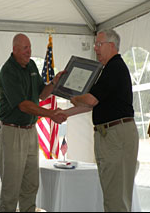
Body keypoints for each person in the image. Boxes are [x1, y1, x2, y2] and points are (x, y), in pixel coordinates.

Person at [60, 29, 139, 212]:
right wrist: (65, 113)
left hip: (116, 136)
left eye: (99, 44)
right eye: (95, 44)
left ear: (111, 46)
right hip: (110, 136)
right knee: (112, 195)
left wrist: (75, 97)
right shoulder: (107, 70)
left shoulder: (115, 67)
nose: (95, 48)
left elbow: (90, 100)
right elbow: (92, 104)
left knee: (116, 198)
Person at [0, 33, 67, 212]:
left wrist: (54, 82)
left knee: (31, 184)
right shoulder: (8, 71)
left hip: (30, 131)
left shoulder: (32, 66)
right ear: (14, 50)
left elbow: (42, 94)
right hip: (13, 132)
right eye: (25, 48)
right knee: (11, 187)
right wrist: (51, 114)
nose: (29, 52)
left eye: (29, 47)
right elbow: (24, 105)